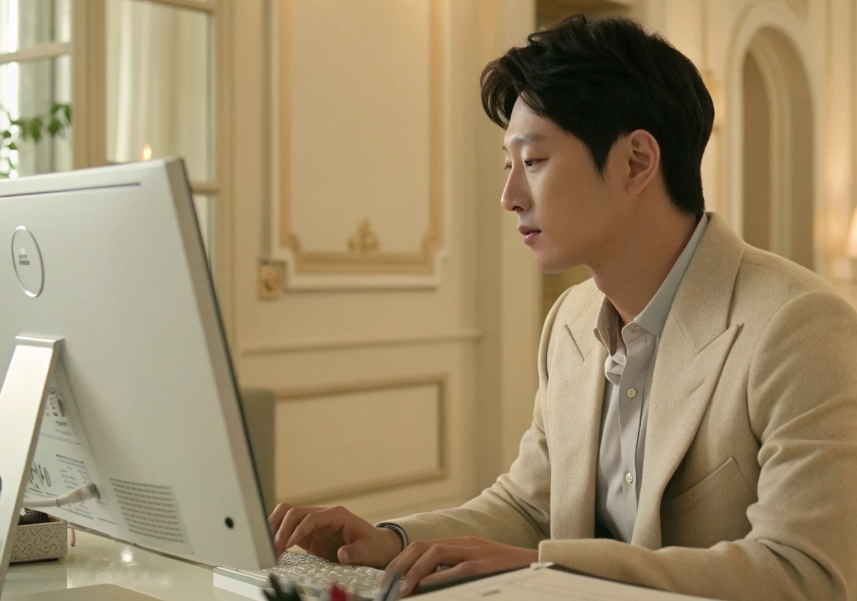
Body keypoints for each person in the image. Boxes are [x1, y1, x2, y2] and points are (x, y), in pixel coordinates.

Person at [268, 15, 857, 600]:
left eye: (533, 162)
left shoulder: (799, 326)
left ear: (636, 162)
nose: (509, 197)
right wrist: (389, 541)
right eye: (508, 166)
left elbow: (805, 574)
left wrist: (546, 568)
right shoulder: (571, 320)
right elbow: (529, 506)